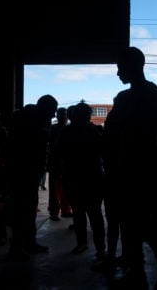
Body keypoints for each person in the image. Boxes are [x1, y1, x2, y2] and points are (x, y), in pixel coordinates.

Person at [102, 46, 157, 290]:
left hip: (135, 169)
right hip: (141, 167)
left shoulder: (131, 97)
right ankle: (152, 265)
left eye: (120, 67)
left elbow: (116, 130)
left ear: (132, 66)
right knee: (138, 223)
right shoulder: (148, 93)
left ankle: (146, 268)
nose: (117, 73)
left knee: (136, 222)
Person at [5, 94, 58, 261]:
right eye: (52, 112)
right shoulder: (26, 120)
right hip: (21, 172)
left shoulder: (39, 119)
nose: (53, 116)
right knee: (21, 210)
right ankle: (17, 247)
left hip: (32, 172)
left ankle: (28, 242)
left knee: (29, 209)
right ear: (44, 108)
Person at [53, 101, 106, 259]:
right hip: (91, 177)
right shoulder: (95, 131)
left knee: (81, 213)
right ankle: (99, 248)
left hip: (76, 177)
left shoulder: (67, 132)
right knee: (93, 214)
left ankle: (85, 244)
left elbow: (57, 154)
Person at [47, 107, 73, 221]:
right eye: (61, 114)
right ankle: (55, 211)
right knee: (55, 188)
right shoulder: (55, 129)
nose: (63, 116)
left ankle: (63, 210)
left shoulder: (54, 129)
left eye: (64, 114)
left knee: (64, 187)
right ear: (57, 116)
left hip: (62, 162)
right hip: (56, 162)